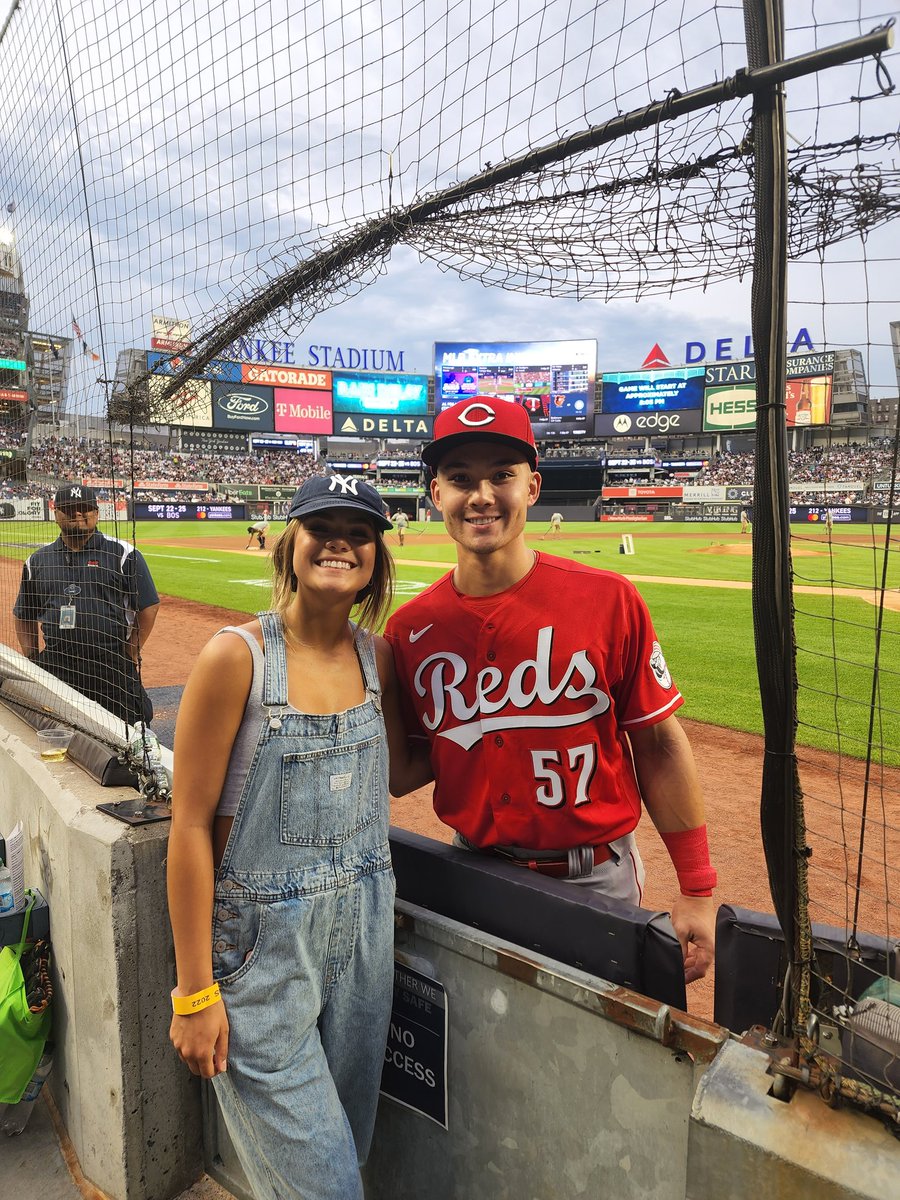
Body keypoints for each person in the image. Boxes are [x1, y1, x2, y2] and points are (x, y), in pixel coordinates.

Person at [385, 397, 717, 984]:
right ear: (435, 494)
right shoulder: (411, 629)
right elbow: (405, 770)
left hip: (595, 881)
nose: (481, 495)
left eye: (501, 476)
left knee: (607, 1058)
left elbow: (660, 745)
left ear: (532, 487)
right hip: (473, 871)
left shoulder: (609, 599)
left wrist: (696, 888)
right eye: (460, 478)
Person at [167, 474, 428, 1200]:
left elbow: (406, 771)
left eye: (361, 530)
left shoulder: (379, 661)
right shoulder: (236, 658)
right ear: (292, 541)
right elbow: (187, 827)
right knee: (328, 1187)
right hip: (261, 958)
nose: (340, 541)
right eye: (323, 525)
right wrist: (193, 993)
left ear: (377, 554)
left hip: (365, 945)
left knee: (345, 1152)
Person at [13, 484, 159, 724]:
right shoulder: (38, 560)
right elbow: (24, 613)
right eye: (69, 509)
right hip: (57, 663)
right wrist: (32, 660)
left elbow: (149, 606)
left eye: (84, 508)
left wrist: (131, 651)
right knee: (56, 728)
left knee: (132, 723)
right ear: (55, 512)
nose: (78, 514)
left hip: (110, 661)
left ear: (97, 513)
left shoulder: (124, 554)